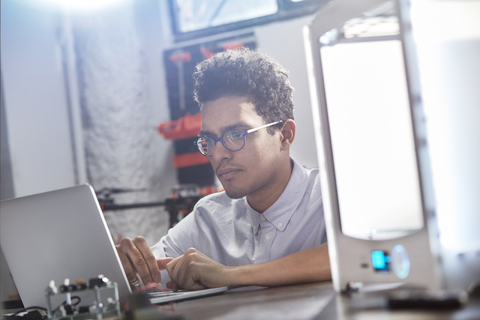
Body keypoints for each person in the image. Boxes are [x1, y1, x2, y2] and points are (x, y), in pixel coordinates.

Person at [116, 48, 331, 291]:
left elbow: (363, 252)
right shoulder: (209, 219)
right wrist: (124, 267)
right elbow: (145, 275)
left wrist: (231, 276)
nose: (218, 154)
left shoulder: (333, 199)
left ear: (285, 135)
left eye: (236, 135)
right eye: (209, 140)